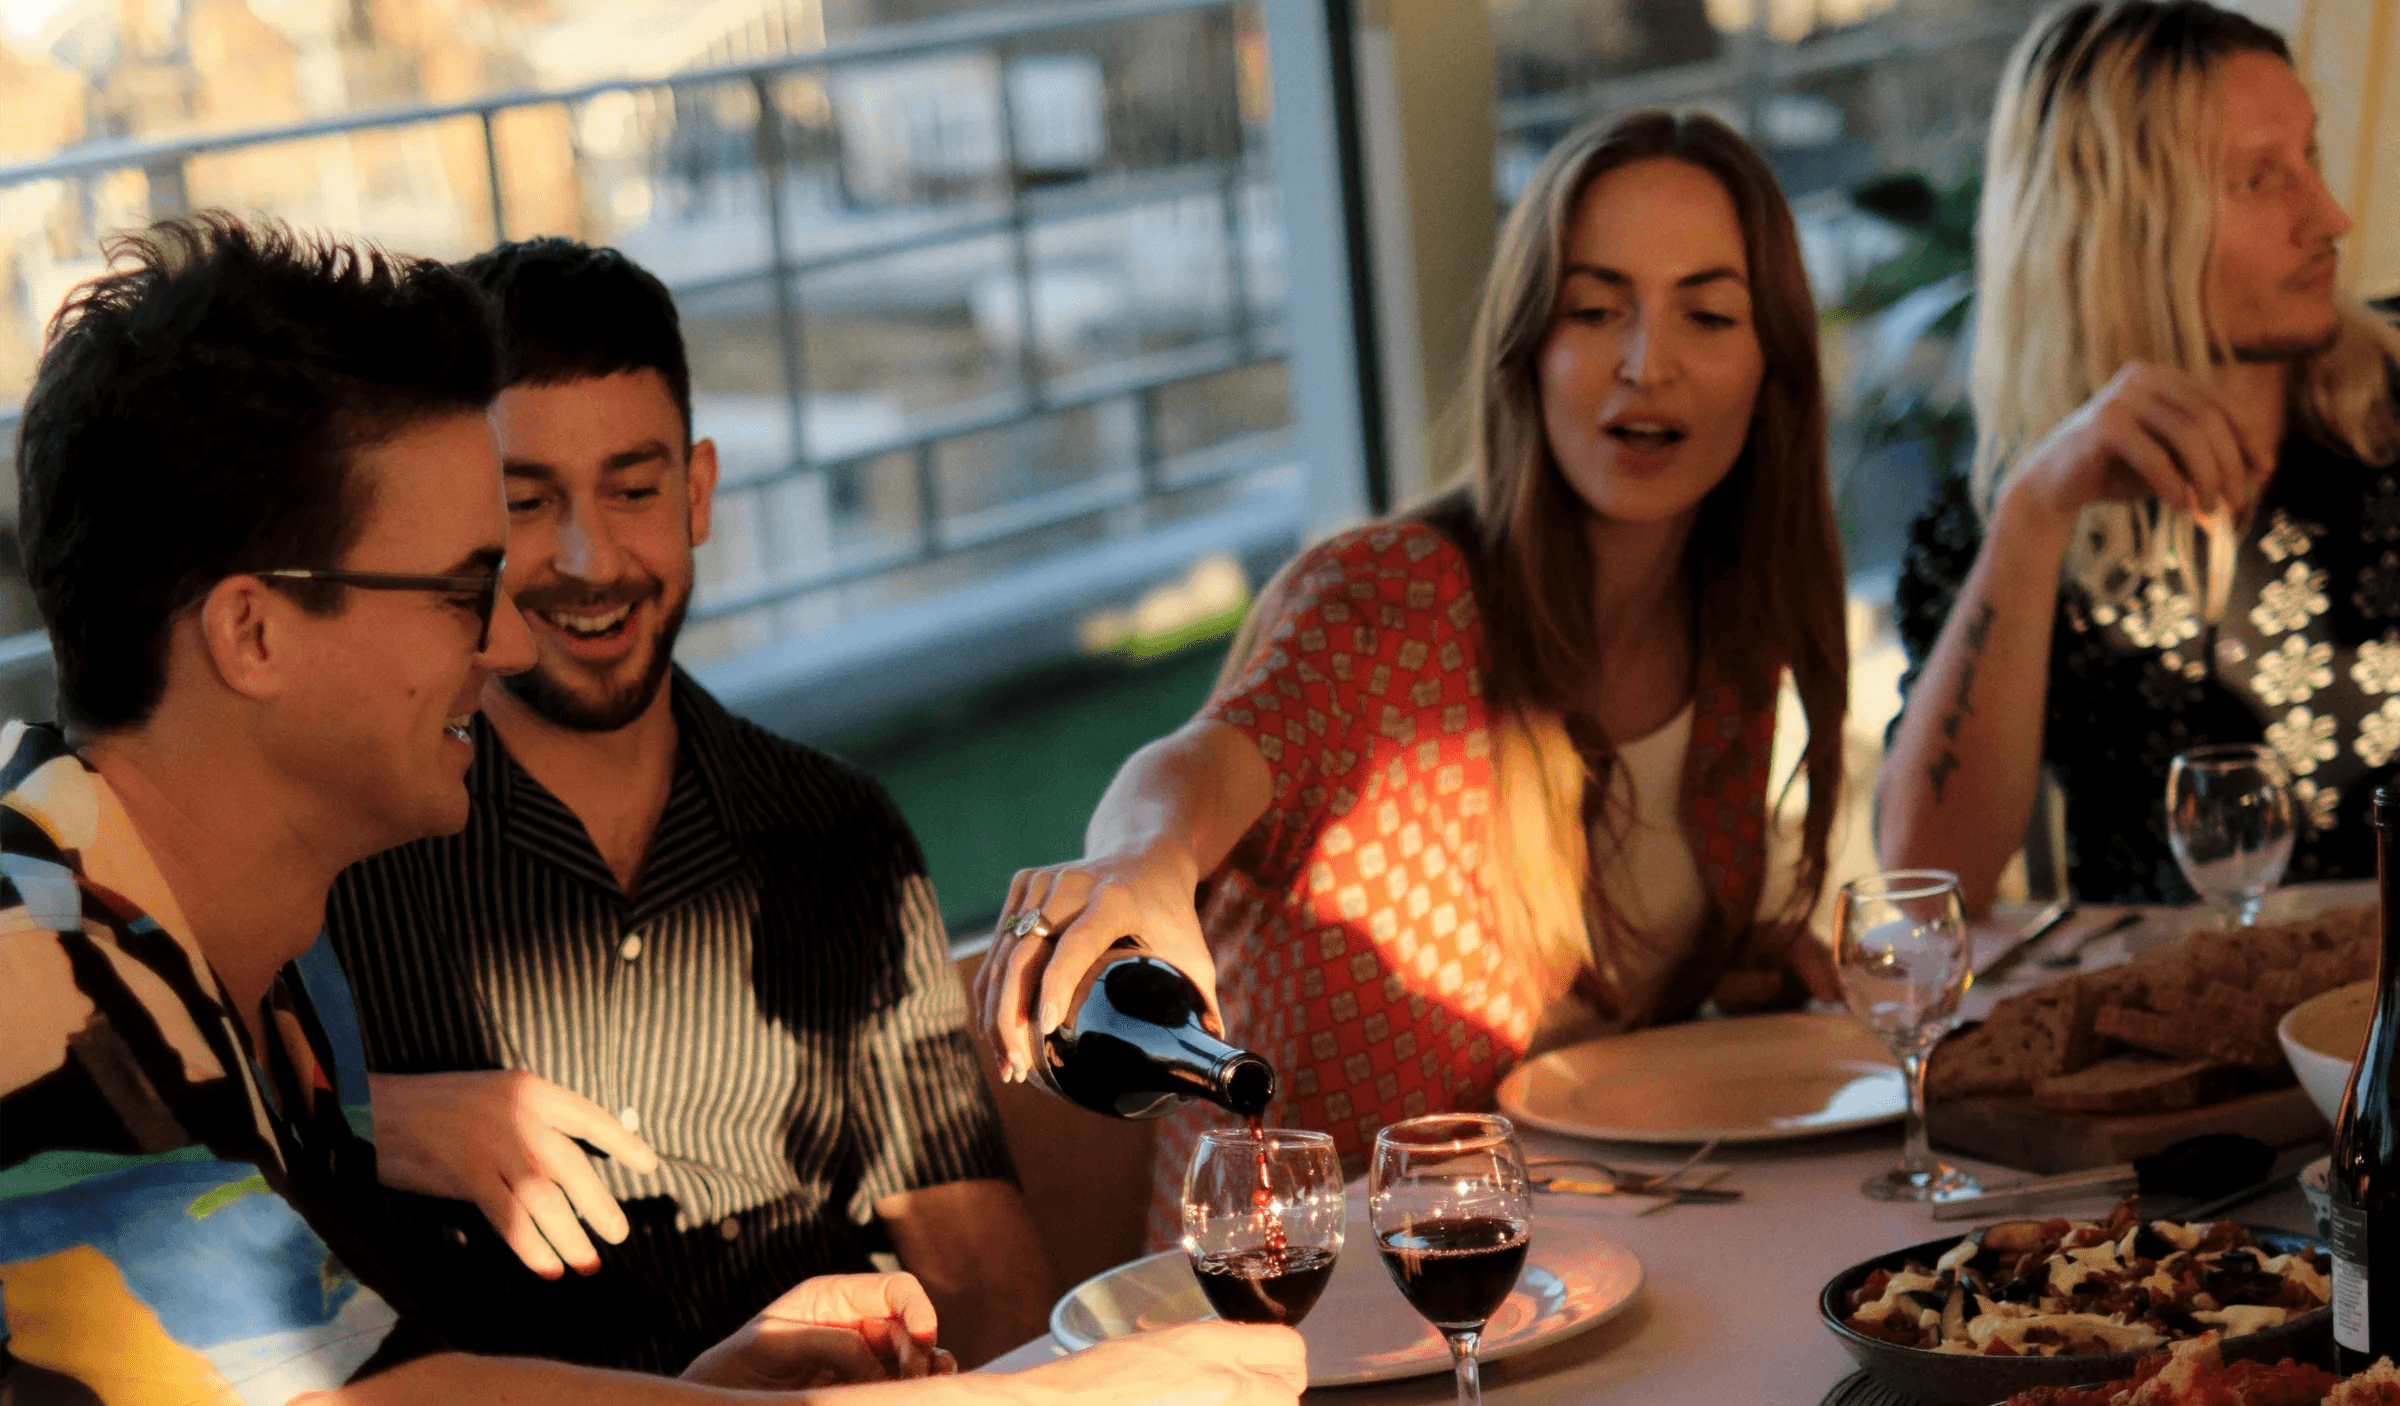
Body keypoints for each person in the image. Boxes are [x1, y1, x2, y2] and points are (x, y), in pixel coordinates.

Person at [0, 214, 1303, 1405]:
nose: (514, 632)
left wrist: (724, 1386)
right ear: (253, 632)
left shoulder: (257, 991)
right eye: (467, 584)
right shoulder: (35, 969)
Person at [975, 109, 1850, 1235]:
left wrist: (1739, 963)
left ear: (1770, 363)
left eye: (1708, 313)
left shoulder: (1737, 624)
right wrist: (1145, 857)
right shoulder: (1389, 597)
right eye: (1594, 310)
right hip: (1295, 1304)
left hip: (1574, 1269)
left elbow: (1607, 1018)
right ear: (1528, 346)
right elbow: (1191, 766)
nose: (1647, 362)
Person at [321, 238, 1049, 1373]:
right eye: (526, 502)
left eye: (634, 489)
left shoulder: (838, 832)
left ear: (698, 491)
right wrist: (382, 1120)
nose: (588, 556)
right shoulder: (345, 843)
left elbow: (982, 1274)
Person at [1879, 0, 2400, 914]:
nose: (2331, 216)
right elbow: (1929, 889)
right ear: (2119, 226)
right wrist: (2032, 520)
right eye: (2256, 180)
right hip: (2185, 1034)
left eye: (2308, 158)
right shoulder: (2003, 523)